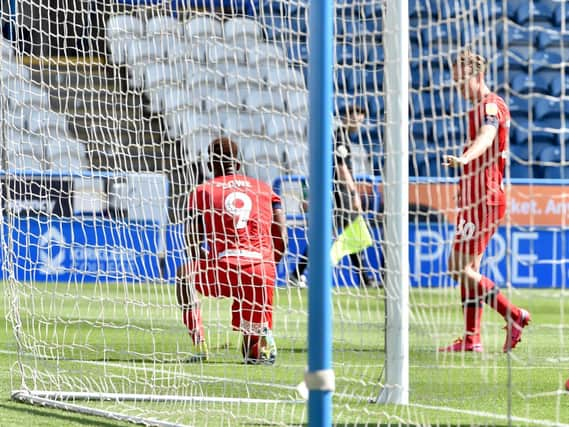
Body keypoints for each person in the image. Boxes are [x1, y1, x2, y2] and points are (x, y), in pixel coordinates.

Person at [439, 49, 530, 353]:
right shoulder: (478, 107)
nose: (458, 89)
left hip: (484, 198)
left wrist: (465, 158)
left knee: (456, 267)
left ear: (476, 75)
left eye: (461, 82)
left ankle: (513, 314)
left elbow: (487, 137)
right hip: (477, 196)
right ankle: (471, 338)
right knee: (471, 270)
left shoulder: (491, 106)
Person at [176, 137, 287, 364]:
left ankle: (200, 346)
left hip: (223, 270)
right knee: (252, 356)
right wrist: (267, 266)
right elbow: (282, 239)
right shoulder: (265, 190)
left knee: (184, 275)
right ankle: (261, 337)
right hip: (260, 273)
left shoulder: (202, 191)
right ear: (238, 164)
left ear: (209, 165)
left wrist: (201, 258)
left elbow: (192, 237)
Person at [288, 104, 380, 289]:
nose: (357, 116)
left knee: (348, 233)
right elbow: (341, 167)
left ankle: (364, 278)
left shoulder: (342, 137)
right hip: (338, 194)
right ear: (344, 116)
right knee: (350, 232)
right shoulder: (340, 138)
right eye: (353, 112)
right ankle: (364, 279)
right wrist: (354, 193)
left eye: (360, 113)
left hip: (334, 194)